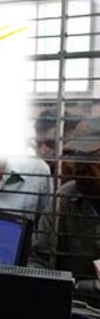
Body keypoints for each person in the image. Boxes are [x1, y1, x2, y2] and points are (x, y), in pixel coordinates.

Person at [30, 117, 100, 280]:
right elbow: (38, 258)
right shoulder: (65, 197)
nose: (79, 168)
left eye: (91, 158)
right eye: (78, 156)